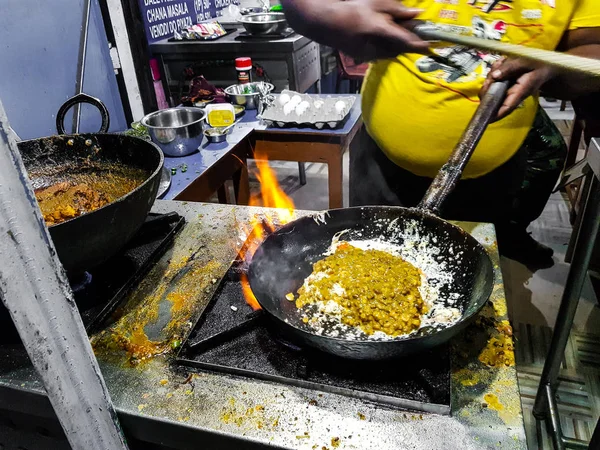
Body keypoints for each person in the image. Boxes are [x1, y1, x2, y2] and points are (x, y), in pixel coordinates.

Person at [281, 0, 600, 267]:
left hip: (490, 178)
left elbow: (592, 51)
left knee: (463, 284)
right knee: (370, 266)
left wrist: (552, 66)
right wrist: (323, 15)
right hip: (381, 168)